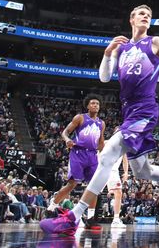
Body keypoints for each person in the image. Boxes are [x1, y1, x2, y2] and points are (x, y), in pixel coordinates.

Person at [40, 5, 159, 236]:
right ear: (131, 20)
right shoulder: (122, 47)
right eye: (141, 14)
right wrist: (108, 52)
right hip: (129, 113)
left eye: (149, 15)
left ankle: (73, 217)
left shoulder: (155, 42)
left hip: (146, 110)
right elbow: (104, 77)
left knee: (108, 154)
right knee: (142, 171)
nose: (146, 17)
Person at [47, 95, 105, 230]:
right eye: (93, 103)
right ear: (88, 106)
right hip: (78, 153)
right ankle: (52, 206)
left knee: (94, 187)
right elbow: (65, 132)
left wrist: (103, 155)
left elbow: (101, 142)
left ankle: (90, 218)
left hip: (92, 155)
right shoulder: (80, 117)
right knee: (72, 183)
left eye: (97, 103)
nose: (95, 105)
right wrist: (67, 139)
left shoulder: (101, 123)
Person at [106, 143, 128, 228]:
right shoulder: (107, 142)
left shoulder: (124, 146)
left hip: (113, 171)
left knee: (118, 192)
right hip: (104, 168)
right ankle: (82, 215)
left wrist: (126, 172)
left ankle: (115, 219)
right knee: (93, 192)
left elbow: (125, 160)